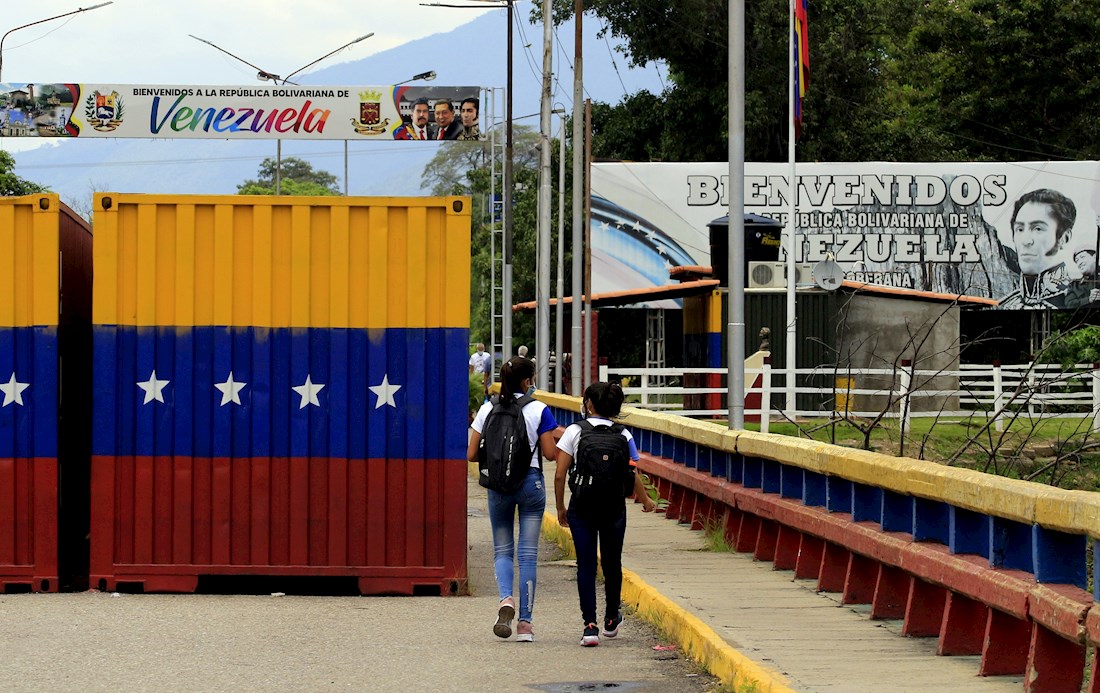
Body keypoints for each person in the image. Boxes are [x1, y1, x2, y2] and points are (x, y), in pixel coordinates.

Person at [554, 381, 656, 647]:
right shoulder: (624, 435)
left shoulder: (574, 431)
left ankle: (589, 626)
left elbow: (559, 474)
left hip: (582, 507)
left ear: (589, 404)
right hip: (613, 508)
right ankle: (612, 618)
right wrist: (645, 500)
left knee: (586, 565)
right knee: (613, 562)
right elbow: (632, 472)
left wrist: (560, 507)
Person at [467, 357, 558, 643]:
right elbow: (549, 454)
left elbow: (470, 454)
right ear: (527, 380)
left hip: (498, 487)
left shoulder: (487, 408)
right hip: (530, 484)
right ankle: (526, 625)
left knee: (503, 550)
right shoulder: (539, 409)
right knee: (528, 554)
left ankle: (506, 599)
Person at [999, 189, 1076, 309]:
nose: (1026, 241)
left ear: (1064, 238)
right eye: (1019, 229)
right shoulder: (1007, 305)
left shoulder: (1076, 300)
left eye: (1038, 229)